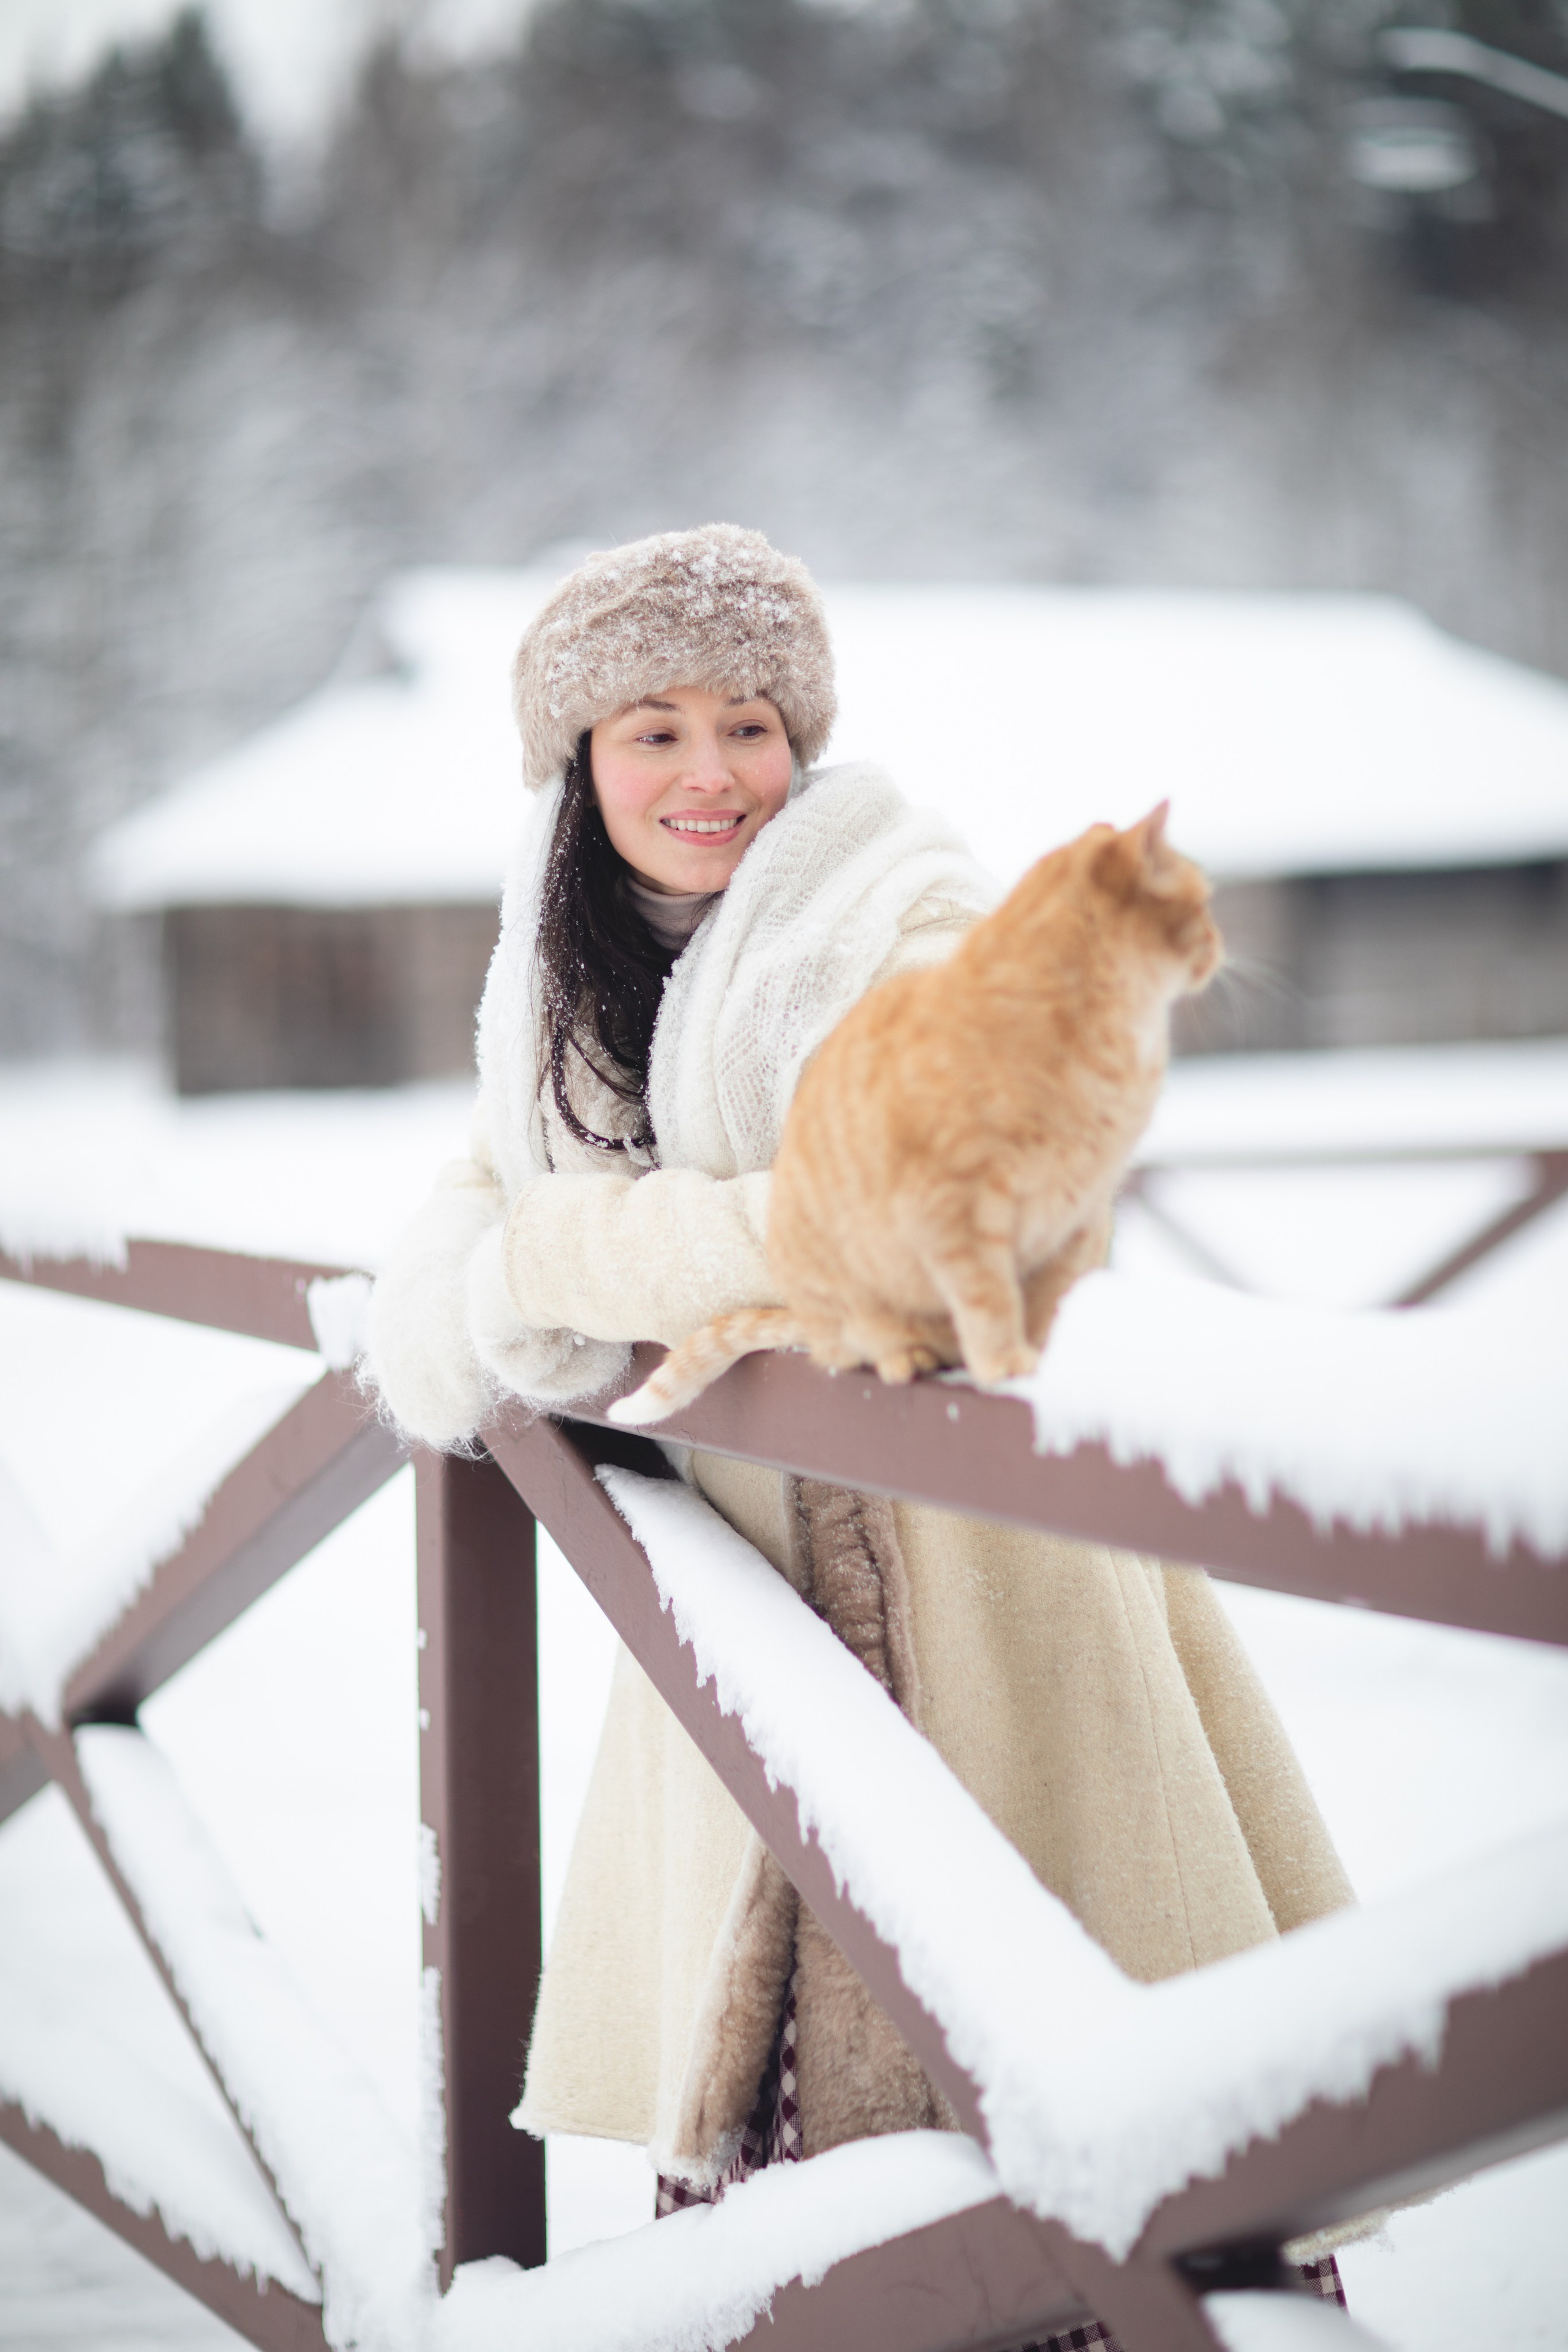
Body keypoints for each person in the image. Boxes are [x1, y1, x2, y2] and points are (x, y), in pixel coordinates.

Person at [364, 524, 1355, 2337]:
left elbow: (902, 1204)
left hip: (992, 1600)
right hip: (753, 1633)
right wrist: (485, 1277)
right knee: (802, 2190)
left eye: (750, 724)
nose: (711, 772)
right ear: (578, 766)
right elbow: (476, 1210)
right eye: (651, 729)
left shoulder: (907, 906)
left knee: (1074, 2145)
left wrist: (559, 1258)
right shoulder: (563, 975)